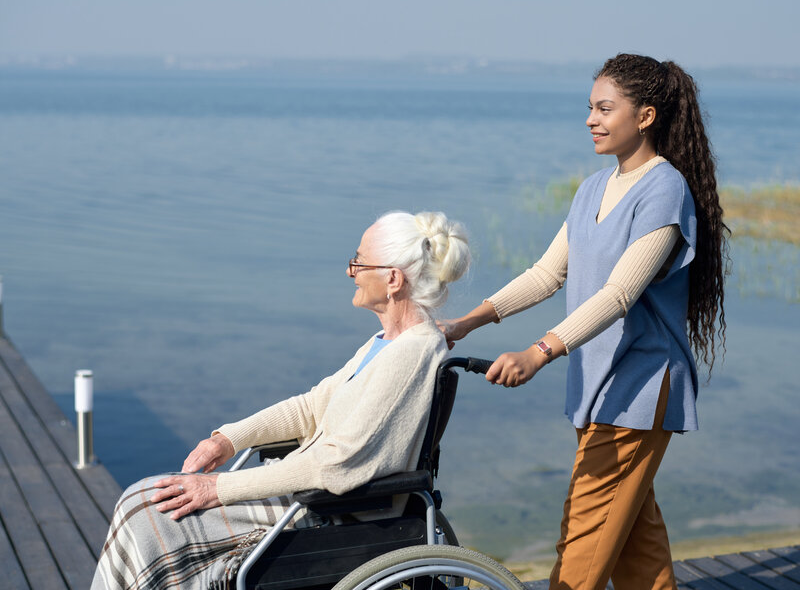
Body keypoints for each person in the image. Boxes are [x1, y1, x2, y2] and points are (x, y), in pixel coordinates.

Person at [440, 54, 728, 590]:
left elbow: (619, 294)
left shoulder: (664, 190)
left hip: (639, 388)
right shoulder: (592, 188)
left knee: (582, 546)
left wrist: (539, 350)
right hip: (597, 384)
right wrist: (466, 322)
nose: (591, 119)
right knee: (636, 545)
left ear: (645, 116)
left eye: (604, 108)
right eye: (589, 108)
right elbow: (547, 273)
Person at [92, 211, 471, 590]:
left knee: (148, 511)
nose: (350, 272)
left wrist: (216, 489)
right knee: (144, 500)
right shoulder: (386, 344)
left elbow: (334, 464)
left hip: (330, 512)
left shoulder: (412, 353)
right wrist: (227, 439)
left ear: (392, 279)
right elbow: (309, 408)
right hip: (309, 496)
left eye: (358, 262)